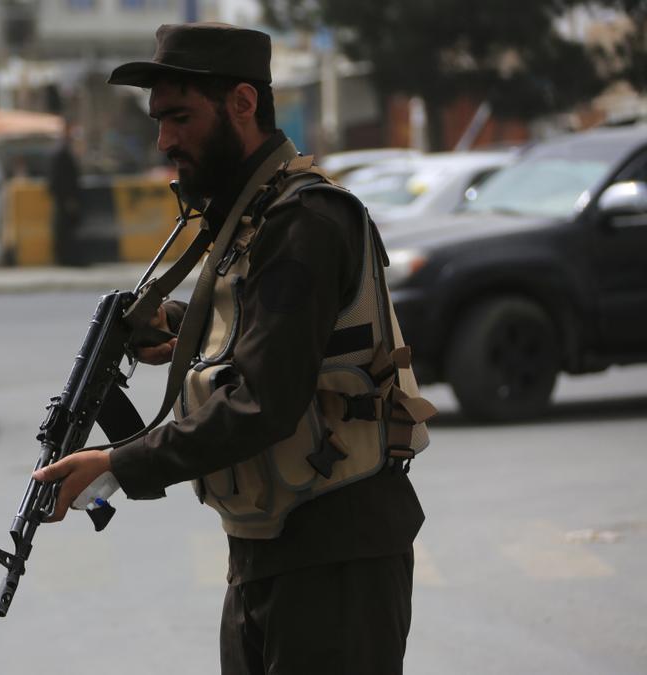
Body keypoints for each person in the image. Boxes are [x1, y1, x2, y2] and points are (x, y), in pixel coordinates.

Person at [32, 23, 432, 674]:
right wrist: (182, 325)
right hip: (271, 544)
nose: (165, 141)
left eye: (181, 117)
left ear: (243, 103)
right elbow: (273, 330)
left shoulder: (302, 222)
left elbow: (263, 401)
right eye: (159, 120)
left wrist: (116, 463)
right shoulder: (255, 218)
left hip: (333, 553)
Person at [47, 119, 85, 267]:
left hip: (64, 197)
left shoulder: (63, 151)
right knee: (65, 229)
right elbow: (62, 179)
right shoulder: (62, 152)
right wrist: (69, 198)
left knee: (66, 228)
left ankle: (66, 258)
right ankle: (65, 259)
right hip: (64, 198)